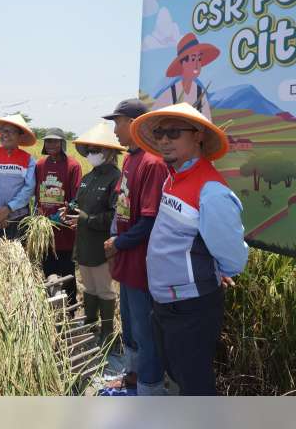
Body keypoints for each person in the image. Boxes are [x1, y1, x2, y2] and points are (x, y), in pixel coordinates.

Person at [131, 102, 249, 395]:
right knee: (177, 375)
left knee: (194, 383)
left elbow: (233, 257)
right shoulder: (172, 179)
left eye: (173, 132)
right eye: (159, 133)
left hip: (190, 307)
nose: (163, 140)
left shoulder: (212, 192)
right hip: (165, 303)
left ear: (197, 135)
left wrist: (216, 270)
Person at [101, 98, 168, 396]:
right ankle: (132, 377)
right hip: (127, 263)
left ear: (133, 123)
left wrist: (119, 242)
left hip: (142, 265)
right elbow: (123, 210)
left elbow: (150, 221)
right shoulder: (130, 159)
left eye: (117, 123)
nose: (114, 130)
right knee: (129, 326)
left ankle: (150, 392)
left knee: (145, 332)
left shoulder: (152, 163)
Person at [62, 122, 124, 346]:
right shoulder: (89, 178)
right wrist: (69, 210)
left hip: (102, 244)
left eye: (96, 150)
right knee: (88, 286)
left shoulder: (116, 178)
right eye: (89, 150)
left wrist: (86, 219)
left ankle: (107, 331)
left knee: (104, 289)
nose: (91, 154)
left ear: (110, 152)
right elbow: (78, 203)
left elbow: (115, 216)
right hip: (84, 242)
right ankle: (90, 322)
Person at [35, 127, 82, 306]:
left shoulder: (73, 165)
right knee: (47, 269)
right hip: (44, 230)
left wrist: (60, 216)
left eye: (55, 141)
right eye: (48, 141)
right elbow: (37, 195)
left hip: (64, 229)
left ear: (63, 143)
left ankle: (69, 309)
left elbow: (76, 198)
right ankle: (51, 308)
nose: (51, 144)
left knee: (66, 270)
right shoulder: (40, 165)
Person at [0, 113, 37, 244]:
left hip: (18, 218)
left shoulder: (28, 159)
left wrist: (8, 209)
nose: (6, 134)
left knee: (18, 261)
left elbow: (29, 188)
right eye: (4, 131)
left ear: (19, 136)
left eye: (11, 132)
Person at [153, 33, 219, 120]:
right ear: (182, 63)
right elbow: (154, 121)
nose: (197, 64)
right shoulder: (169, 95)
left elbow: (207, 121)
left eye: (199, 59)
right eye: (192, 59)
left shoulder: (200, 93)